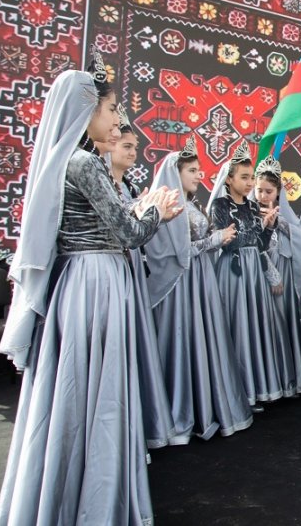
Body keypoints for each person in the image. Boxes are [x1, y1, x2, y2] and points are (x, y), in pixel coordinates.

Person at [0, 65, 180, 524]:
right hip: (96, 281)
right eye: (112, 109)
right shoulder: (83, 163)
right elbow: (128, 234)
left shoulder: (71, 161)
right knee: (99, 389)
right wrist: (156, 213)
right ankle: (94, 498)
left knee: (80, 387)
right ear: (87, 110)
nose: (117, 119)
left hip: (84, 281)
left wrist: (143, 210)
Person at [147, 136, 254, 440]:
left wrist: (215, 239)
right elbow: (178, 252)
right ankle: (182, 409)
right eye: (192, 170)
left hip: (200, 279)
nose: (198, 175)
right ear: (175, 172)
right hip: (183, 285)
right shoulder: (169, 205)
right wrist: (216, 240)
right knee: (184, 339)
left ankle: (203, 404)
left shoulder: (190, 204)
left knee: (202, 340)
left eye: (198, 170)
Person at [95, 119, 180, 448]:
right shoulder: (102, 183)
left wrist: (152, 214)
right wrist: (146, 212)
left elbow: (138, 232)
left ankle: (132, 430)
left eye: (135, 147)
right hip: (105, 274)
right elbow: (122, 229)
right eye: (127, 146)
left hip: (128, 269)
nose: (133, 152)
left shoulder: (127, 188)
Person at [209, 140, 278, 405]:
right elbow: (228, 242)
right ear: (229, 179)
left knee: (254, 327)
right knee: (236, 327)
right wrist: (253, 231)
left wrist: (268, 227)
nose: (249, 183)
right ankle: (237, 392)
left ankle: (255, 389)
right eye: (244, 177)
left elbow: (259, 244)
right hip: (234, 271)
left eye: (251, 178)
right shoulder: (220, 206)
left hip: (254, 272)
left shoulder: (252, 207)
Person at [255, 157, 301, 396]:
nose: (263, 195)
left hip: (284, 272)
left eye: (269, 191)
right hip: (258, 273)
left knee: (283, 322)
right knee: (263, 324)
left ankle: (286, 380)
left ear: (278, 192)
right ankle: (264, 382)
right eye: (259, 190)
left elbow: (300, 238)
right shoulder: (248, 212)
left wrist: (279, 223)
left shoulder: (284, 215)